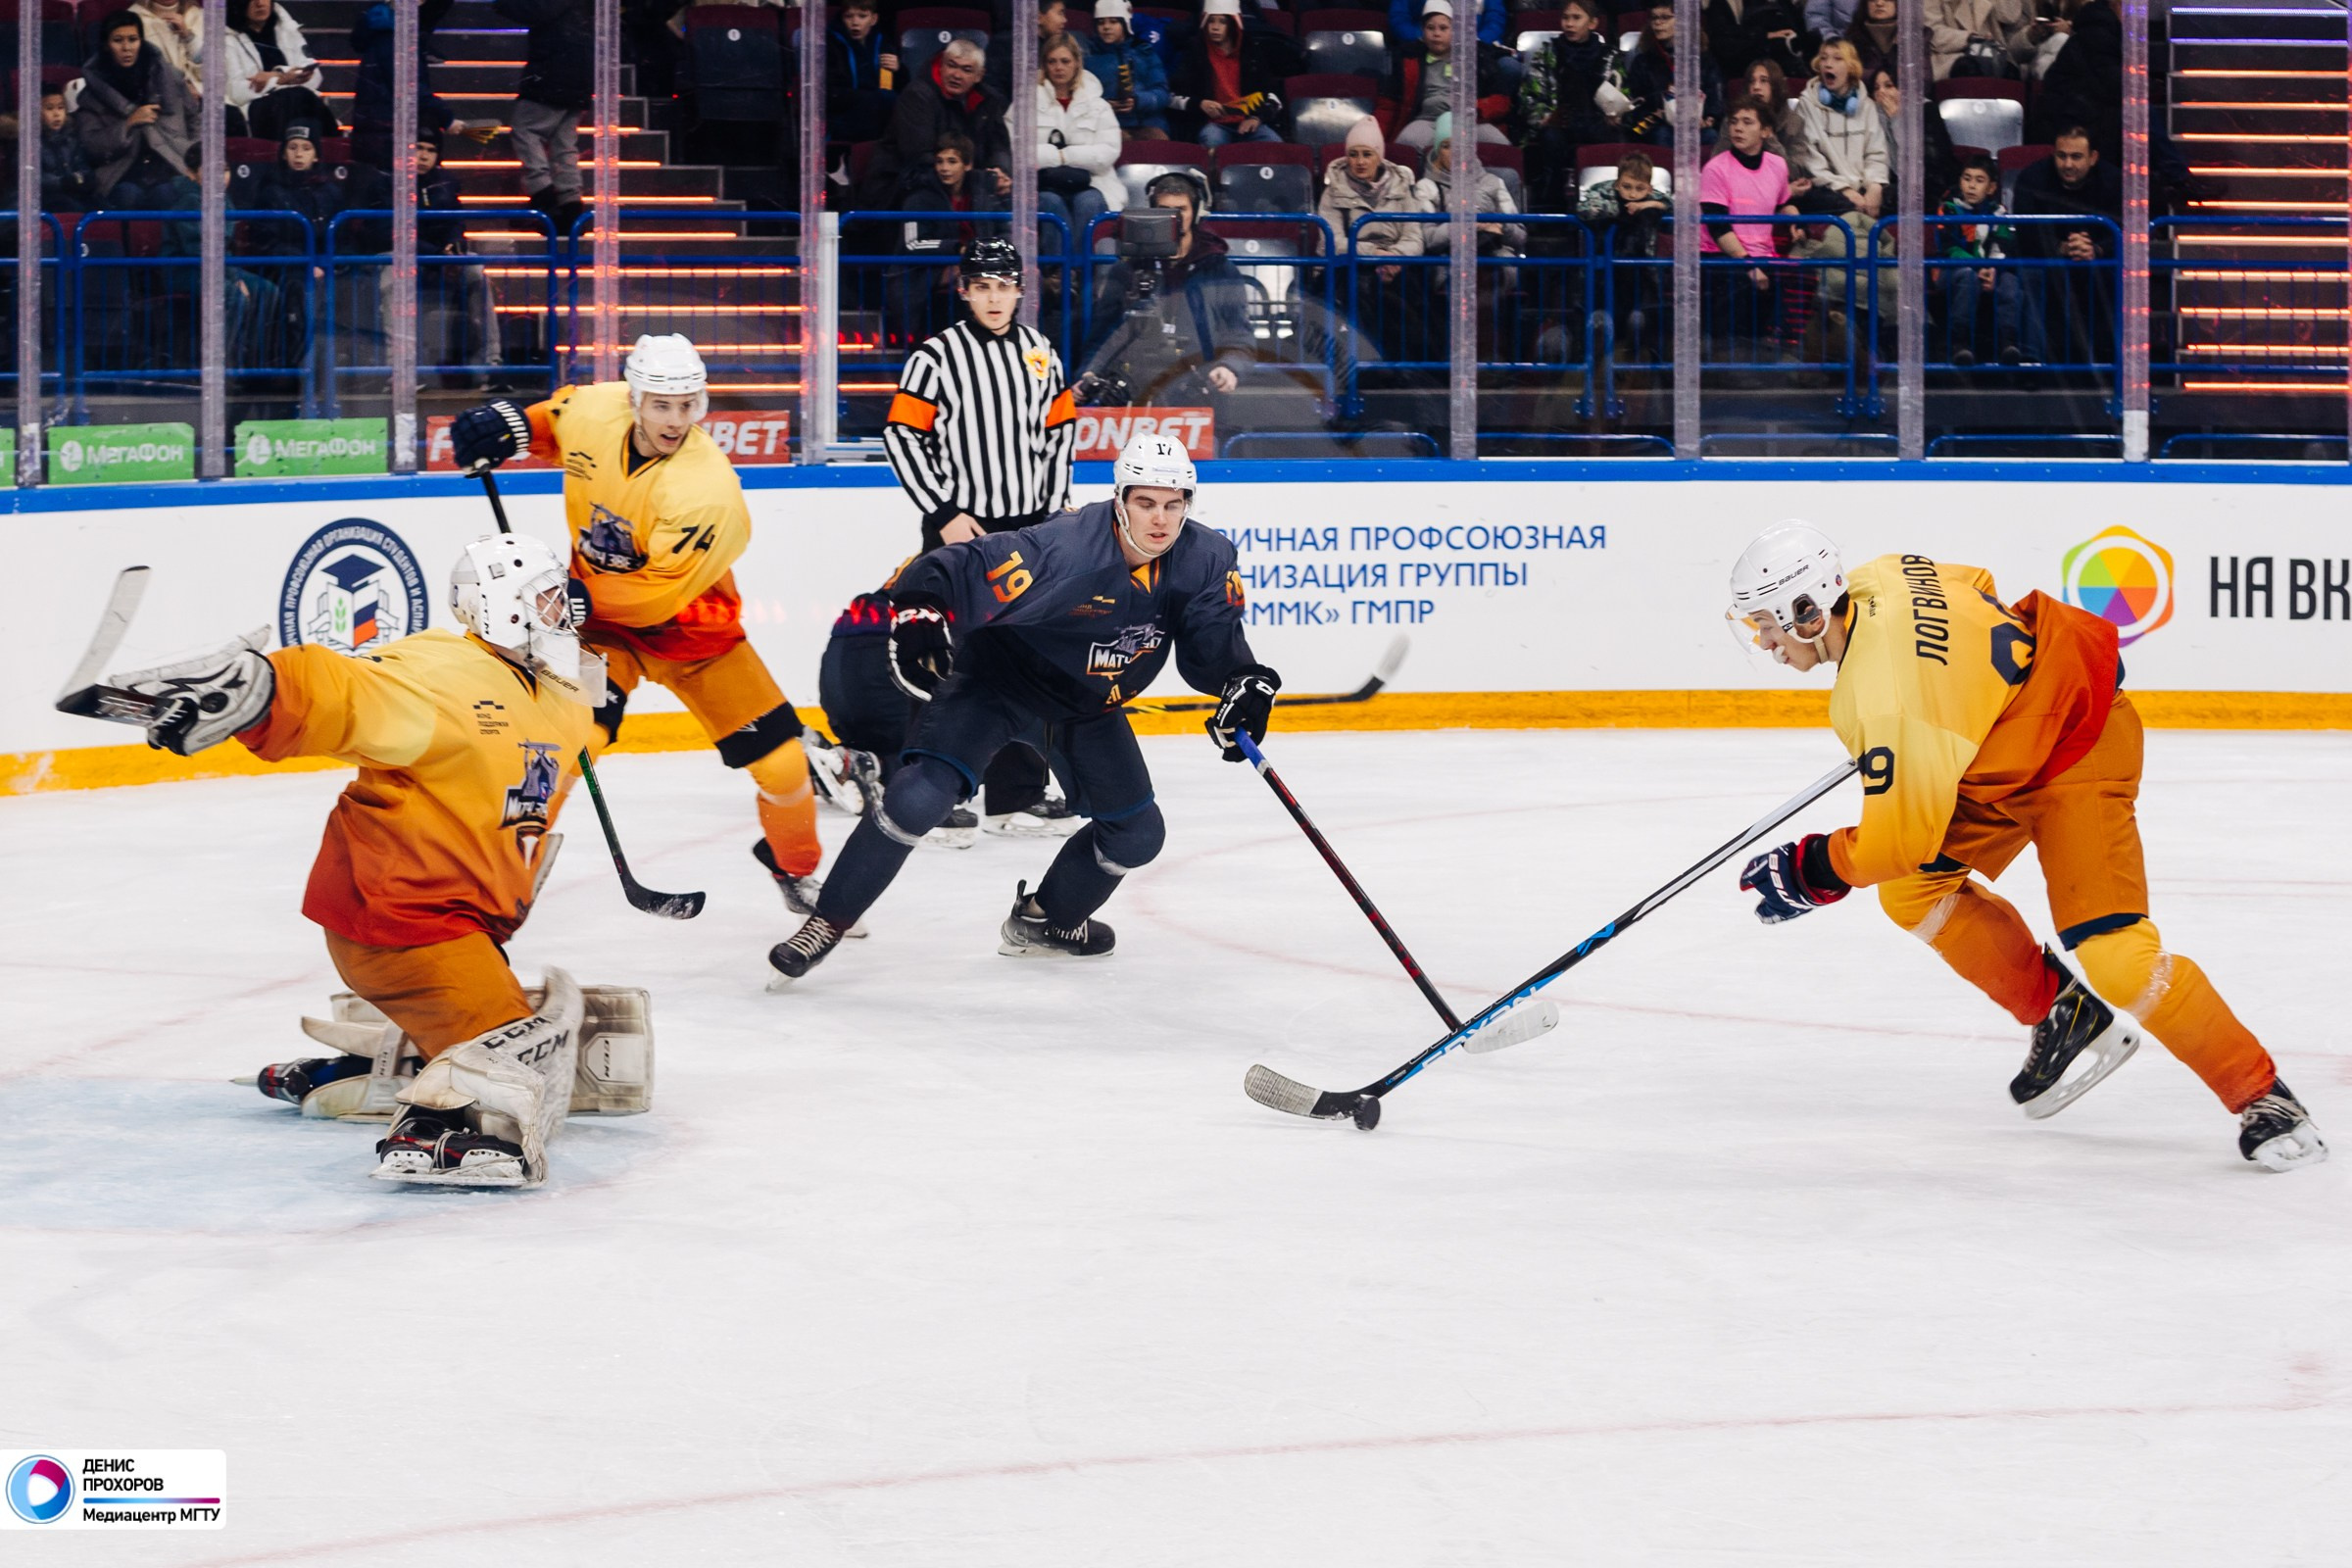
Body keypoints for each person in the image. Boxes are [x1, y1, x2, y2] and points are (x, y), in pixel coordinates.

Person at [1727, 522, 2328, 1173]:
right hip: (2001, 751)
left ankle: (2265, 1097)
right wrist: (1947, 700)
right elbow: (1979, 590)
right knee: (1912, 894)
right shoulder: (1884, 574)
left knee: (2120, 960)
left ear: (1809, 612)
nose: (1763, 641)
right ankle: (2064, 1019)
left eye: (1766, 623)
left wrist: (1814, 867)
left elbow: (1902, 837)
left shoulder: (1884, 699)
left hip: (2076, 748)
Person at [70, 532, 616, 1186]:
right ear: (507, 608)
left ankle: (383, 1064)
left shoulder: (558, 699)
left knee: (528, 1043)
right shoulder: (449, 675)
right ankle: (435, 1124)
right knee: (520, 1070)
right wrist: (266, 691)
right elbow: (353, 690)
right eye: (551, 600)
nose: (568, 613)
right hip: (405, 923)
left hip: (461, 924)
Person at [767, 433, 1283, 982]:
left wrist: (1242, 681)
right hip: (998, 680)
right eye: (1145, 502)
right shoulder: (1066, 547)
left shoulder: (1206, 558)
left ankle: (1046, 919)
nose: (1160, 519)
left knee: (1138, 835)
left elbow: (1212, 642)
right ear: (1119, 500)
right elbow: (952, 565)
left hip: (1083, 705)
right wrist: (920, 613)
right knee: (920, 796)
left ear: (1188, 506)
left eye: (1173, 505)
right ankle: (825, 923)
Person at [449, 334, 837, 925]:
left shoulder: (706, 492)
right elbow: (550, 424)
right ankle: (494, 872)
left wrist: (567, 598)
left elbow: (656, 592)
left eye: (688, 406)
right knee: (565, 747)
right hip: (599, 631)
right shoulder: (596, 410)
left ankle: (795, 866)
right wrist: (503, 427)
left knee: (783, 765)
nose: (676, 420)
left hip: (696, 634)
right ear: (635, 399)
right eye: (661, 405)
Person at [1079, 170, 1253, 408]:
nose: (1174, 218)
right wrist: (1089, 373)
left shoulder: (1219, 268)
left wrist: (1229, 367)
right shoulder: (1127, 270)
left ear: (1195, 212)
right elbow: (1103, 334)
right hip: (1134, 388)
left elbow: (1239, 334)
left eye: (1180, 209)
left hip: (1199, 387)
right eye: (1165, 210)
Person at [1699, 97, 1805, 356]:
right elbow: (1718, 227)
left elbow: (1783, 202)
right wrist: (1749, 265)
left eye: (1747, 122)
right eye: (1734, 122)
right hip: (1722, 259)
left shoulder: (1777, 165)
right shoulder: (1715, 169)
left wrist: (1795, 220)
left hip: (1761, 257)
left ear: (1766, 131)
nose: (1737, 128)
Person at [2007, 125, 2118, 365]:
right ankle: (2031, 362)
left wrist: (2097, 249)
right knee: (2031, 275)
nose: (2067, 164)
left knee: (2118, 276)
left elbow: (2129, 231)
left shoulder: (2114, 181)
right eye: (2061, 156)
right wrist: (2062, 248)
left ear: (2093, 158)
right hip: (2046, 259)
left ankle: (2107, 365)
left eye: (2076, 157)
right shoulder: (2031, 178)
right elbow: (2026, 232)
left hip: (2098, 260)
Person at [1321, 117, 1429, 364]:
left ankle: (1407, 369)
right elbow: (1332, 241)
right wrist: (1374, 254)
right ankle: (1365, 368)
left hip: (1395, 266)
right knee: (1359, 295)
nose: (1359, 162)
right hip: (1351, 265)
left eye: (1367, 154)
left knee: (1413, 300)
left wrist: (1393, 258)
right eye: (1354, 154)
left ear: (1379, 155)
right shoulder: (1333, 190)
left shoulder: (1402, 187)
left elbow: (1415, 239)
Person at [863, 37, 1012, 207]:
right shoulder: (917, 96)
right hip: (907, 187)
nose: (956, 75)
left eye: (966, 69)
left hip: (969, 186)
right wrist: (982, 179)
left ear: (979, 76)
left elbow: (999, 147)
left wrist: (1000, 172)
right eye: (951, 65)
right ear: (941, 66)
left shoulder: (989, 100)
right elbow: (920, 158)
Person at [76, 10, 201, 211]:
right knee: (128, 196)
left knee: (166, 194)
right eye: (118, 40)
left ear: (141, 41)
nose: (127, 48)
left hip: (170, 164)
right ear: (107, 45)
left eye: (133, 39)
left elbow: (194, 118)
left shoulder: (168, 76)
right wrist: (127, 124)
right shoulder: (92, 94)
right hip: (122, 171)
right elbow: (91, 146)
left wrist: (194, 157)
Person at [1517, 0, 1628, 213]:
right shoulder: (1547, 52)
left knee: (1616, 138)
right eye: (1566, 18)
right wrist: (1545, 118)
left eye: (1576, 18)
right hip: (1559, 122)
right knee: (1551, 139)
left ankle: (1605, 208)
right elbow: (1528, 96)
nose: (1569, 24)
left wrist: (1616, 115)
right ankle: (1552, 209)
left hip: (1596, 122)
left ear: (1593, 23)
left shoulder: (1610, 56)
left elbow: (1624, 94)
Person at [496, 0, 592, 237]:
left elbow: (534, 10)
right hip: (581, 74)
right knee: (564, 144)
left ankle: (544, 199)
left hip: (553, 71)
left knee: (525, 129)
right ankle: (570, 206)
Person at [1378, 0, 1513, 150]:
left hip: (1470, 120)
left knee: (1502, 147)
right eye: (1430, 28)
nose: (1436, 34)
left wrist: (1474, 109)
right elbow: (1388, 105)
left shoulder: (1478, 57)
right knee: (1406, 144)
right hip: (1427, 120)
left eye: (1443, 28)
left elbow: (1501, 101)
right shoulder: (1407, 59)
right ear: (1422, 31)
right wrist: (1375, 140)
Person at [1035, 32, 1124, 255]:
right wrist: (1070, 156)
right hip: (1043, 184)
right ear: (1044, 65)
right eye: (1052, 61)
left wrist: (1063, 156)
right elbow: (1017, 150)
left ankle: (1075, 275)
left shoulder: (1098, 105)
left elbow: (1108, 152)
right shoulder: (1027, 102)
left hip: (1093, 182)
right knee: (1050, 203)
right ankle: (1059, 274)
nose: (1058, 67)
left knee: (1089, 203)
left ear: (1076, 64)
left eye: (1065, 61)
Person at [1169, 0, 1299, 147]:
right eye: (1211, 21)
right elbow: (1172, 97)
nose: (1215, 27)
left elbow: (1273, 96)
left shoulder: (1251, 52)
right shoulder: (1195, 52)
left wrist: (1257, 118)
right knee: (1213, 140)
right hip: (1213, 124)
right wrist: (1200, 104)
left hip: (1248, 121)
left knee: (1275, 144)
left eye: (1222, 22)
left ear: (1232, 24)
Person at [1788, 38, 1885, 222]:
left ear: (1851, 67)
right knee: (1837, 205)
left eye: (1837, 58)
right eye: (1824, 58)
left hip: (1864, 186)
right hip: (1828, 189)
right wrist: (1845, 190)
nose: (1828, 64)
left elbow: (1876, 154)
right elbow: (1811, 162)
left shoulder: (1867, 106)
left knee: (1906, 201)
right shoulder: (1807, 105)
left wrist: (1875, 187)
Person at [1936, 154, 2019, 365]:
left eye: (1979, 180)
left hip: (1986, 269)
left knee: (2009, 281)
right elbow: (1949, 248)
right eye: (1967, 178)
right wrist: (1978, 267)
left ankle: (2008, 343)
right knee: (1967, 277)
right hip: (1950, 271)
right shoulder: (1948, 209)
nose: (1971, 185)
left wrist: (1993, 269)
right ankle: (1959, 343)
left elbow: (2002, 245)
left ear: (1991, 188)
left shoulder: (1999, 212)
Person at [222, 0, 333, 141]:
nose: (260, 3)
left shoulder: (287, 29)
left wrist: (277, 76)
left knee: (301, 98)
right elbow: (236, 91)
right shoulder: (228, 41)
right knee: (295, 99)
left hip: (298, 99)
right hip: (258, 107)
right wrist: (281, 81)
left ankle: (330, 155)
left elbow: (316, 76)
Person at [1622, 0, 1722, 147]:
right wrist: (1655, 115)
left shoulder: (1703, 59)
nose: (1657, 23)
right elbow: (1634, 116)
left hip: (1695, 126)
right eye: (1654, 17)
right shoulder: (1642, 61)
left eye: (1665, 17)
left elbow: (1715, 98)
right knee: (1662, 136)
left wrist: (1709, 119)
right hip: (1654, 125)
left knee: (1711, 136)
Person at [1865, 65, 1956, 219]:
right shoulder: (1873, 116)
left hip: (1929, 186)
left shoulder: (1926, 110)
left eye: (1889, 86)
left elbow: (1929, 163)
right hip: (1894, 185)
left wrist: (1897, 120)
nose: (1882, 92)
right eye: (1876, 88)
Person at [1085, 0, 1172, 139]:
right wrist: (1104, 105)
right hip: (1109, 125)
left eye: (1113, 22)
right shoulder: (1087, 58)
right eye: (1101, 22)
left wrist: (1138, 101)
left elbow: (1162, 93)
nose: (1106, 27)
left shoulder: (1145, 52)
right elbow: (1082, 99)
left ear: (1125, 24)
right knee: (1118, 138)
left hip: (1149, 124)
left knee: (1158, 138)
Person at [827, 0, 900, 144]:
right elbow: (831, 93)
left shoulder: (883, 43)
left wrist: (899, 70)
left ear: (873, 19)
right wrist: (872, 98)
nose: (855, 22)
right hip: (845, 115)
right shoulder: (831, 43)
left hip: (877, 110)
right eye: (849, 16)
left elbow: (897, 87)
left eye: (862, 16)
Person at [1927, 0, 2030, 80]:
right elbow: (1932, 32)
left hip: (1990, 52)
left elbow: (2010, 16)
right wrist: (1969, 38)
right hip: (1948, 56)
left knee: (2011, 72)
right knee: (1971, 68)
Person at [1702, 0, 1807, 79]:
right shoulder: (1719, 5)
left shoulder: (1780, 3)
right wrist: (1765, 35)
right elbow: (1724, 41)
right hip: (1738, 65)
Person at [130, 0, 205, 103]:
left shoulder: (198, 15)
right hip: (163, 100)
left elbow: (212, 72)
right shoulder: (134, 19)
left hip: (203, 97)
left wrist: (188, 37)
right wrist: (181, 88)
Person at [38, 89, 96, 211]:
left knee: (101, 205)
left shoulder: (72, 139)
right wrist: (62, 182)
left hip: (73, 193)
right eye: (49, 108)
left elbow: (83, 167)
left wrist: (82, 179)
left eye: (60, 107)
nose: (56, 114)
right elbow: (33, 177)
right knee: (73, 207)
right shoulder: (29, 141)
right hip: (45, 198)